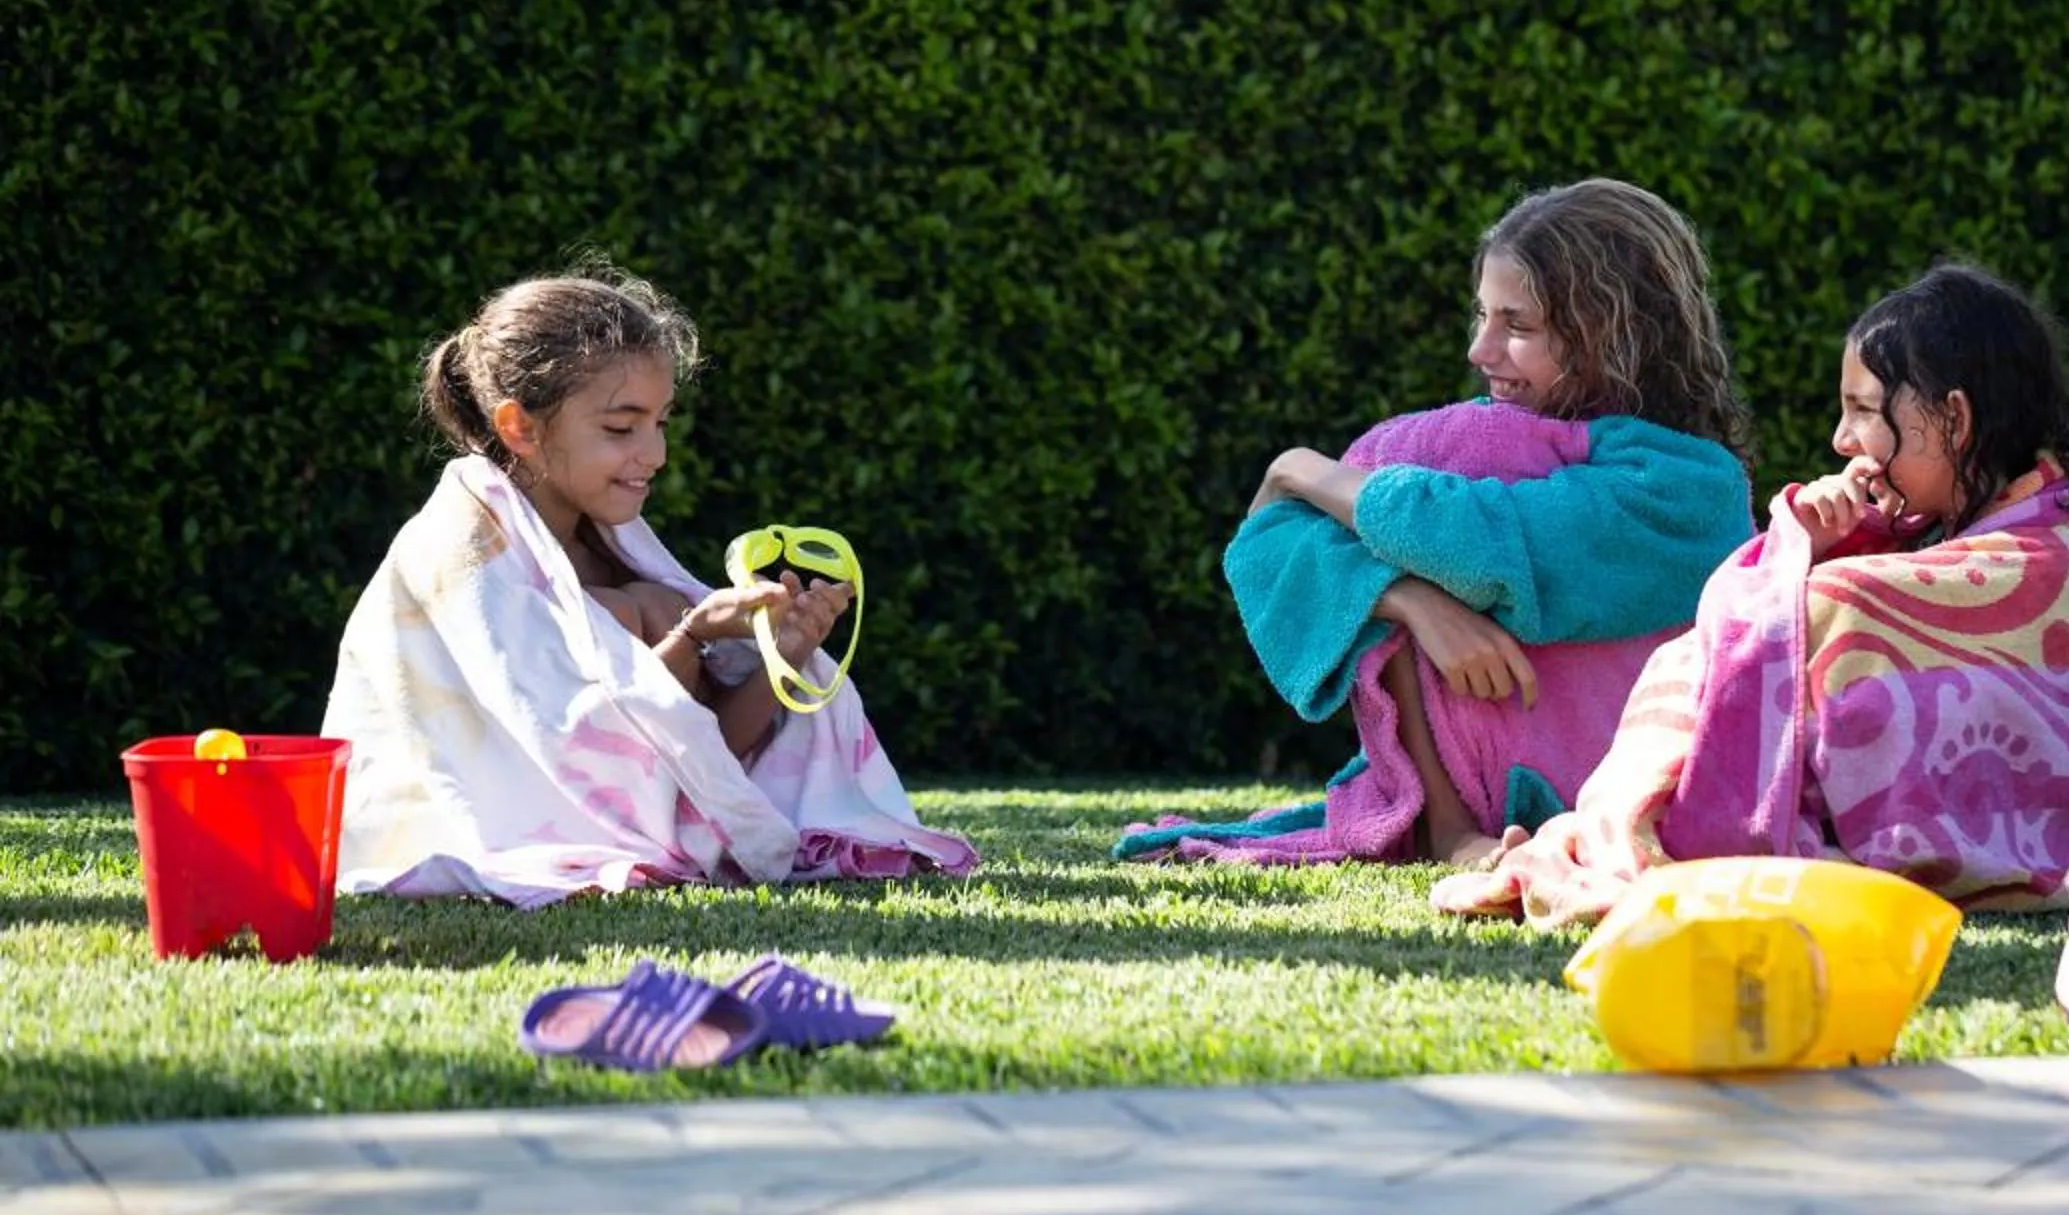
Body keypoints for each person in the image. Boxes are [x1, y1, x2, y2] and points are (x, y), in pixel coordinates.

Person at [1438, 263, 2069, 928]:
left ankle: (1658, 826)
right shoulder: (2015, 532)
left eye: (1862, 410)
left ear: (1954, 420)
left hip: (1984, 843)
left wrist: (1811, 561)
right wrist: (1825, 540)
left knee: (1822, 606)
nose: (1841, 440)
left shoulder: (2050, 559)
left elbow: (1833, 612)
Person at [1119, 179, 1757, 869]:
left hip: (1626, 791)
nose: (1482, 351)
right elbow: (1269, 547)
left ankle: (1452, 834)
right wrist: (1410, 602)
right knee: (1391, 568)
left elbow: (1482, 541)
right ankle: (1449, 832)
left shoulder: (1692, 487)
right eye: (1482, 316)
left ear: (1618, 333)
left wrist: (1298, 467)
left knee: (1413, 548)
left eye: (1518, 326)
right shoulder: (1469, 447)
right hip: (1475, 793)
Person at [326, 264, 976, 906]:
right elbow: (588, 757)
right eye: (621, 427)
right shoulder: (465, 565)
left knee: (650, 608)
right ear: (519, 427)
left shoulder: (615, 557)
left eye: (660, 422)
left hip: (649, 777)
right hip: (466, 825)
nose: (656, 453)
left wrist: (789, 653)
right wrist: (691, 635)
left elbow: (699, 761)